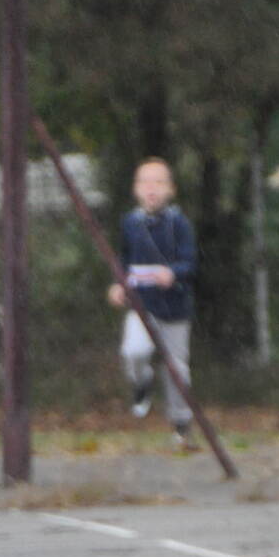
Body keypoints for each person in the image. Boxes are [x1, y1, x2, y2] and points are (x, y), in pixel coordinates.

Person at [107, 158, 199, 450]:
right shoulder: (130, 223)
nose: (152, 189)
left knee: (177, 368)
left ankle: (181, 425)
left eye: (159, 182)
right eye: (145, 182)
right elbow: (123, 260)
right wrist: (118, 285)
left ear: (170, 189)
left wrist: (173, 273)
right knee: (133, 350)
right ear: (135, 189)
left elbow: (191, 262)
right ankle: (142, 381)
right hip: (142, 303)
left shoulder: (179, 223)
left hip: (174, 307)